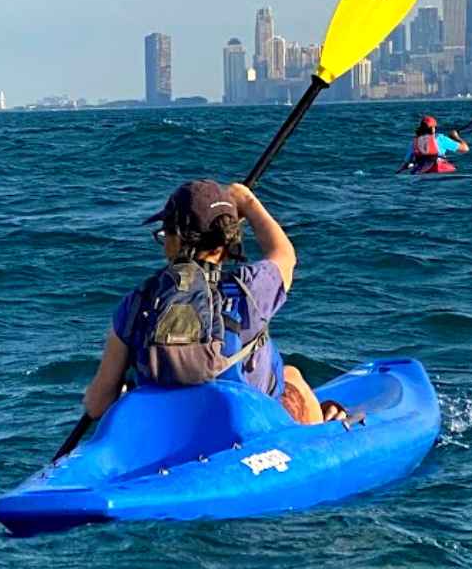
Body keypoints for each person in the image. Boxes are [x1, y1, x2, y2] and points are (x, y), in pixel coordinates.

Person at [81, 179, 342, 426]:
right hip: (242, 426)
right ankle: (318, 439)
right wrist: (247, 201)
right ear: (228, 241)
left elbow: (97, 405)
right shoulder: (250, 289)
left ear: (175, 240)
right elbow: (285, 255)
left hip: (169, 429)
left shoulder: (138, 302)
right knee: (291, 375)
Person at [404, 115, 468, 173]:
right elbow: (465, 149)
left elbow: (407, 162)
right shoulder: (441, 139)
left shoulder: (414, 142)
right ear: (433, 129)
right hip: (440, 170)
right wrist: (456, 137)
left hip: (422, 170)